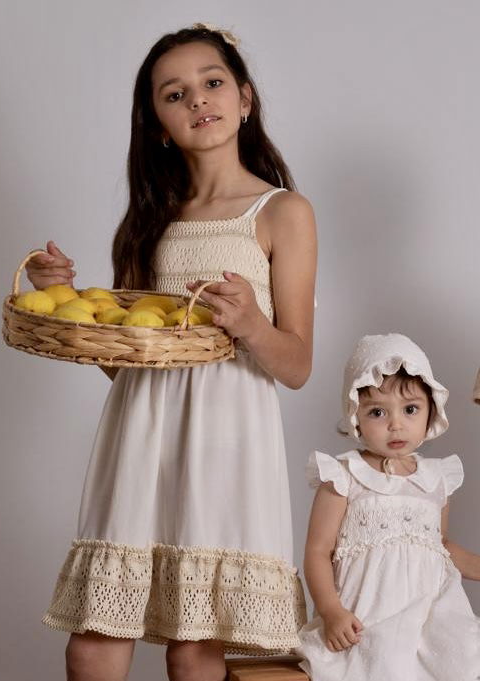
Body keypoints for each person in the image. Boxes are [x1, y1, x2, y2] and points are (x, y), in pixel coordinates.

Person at [26, 23, 317, 681]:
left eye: (212, 83)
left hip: (225, 445)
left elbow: (297, 365)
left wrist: (250, 322)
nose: (198, 100)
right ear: (157, 123)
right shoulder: (150, 219)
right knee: (93, 644)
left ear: (245, 98)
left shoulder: (282, 212)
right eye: (174, 94)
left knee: (193, 650)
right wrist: (62, 295)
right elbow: (129, 360)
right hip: (140, 437)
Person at [297, 333, 480, 680]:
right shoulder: (344, 476)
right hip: (366, 616)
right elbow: (318, 551)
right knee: (382, 665)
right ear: (355, 414)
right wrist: (331, 610)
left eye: (410, 409)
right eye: (378, 412)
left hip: (429, 615)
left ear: (430, 411)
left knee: (464, 659)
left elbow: (440, 545)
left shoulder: (436, 479)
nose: (396, 424)